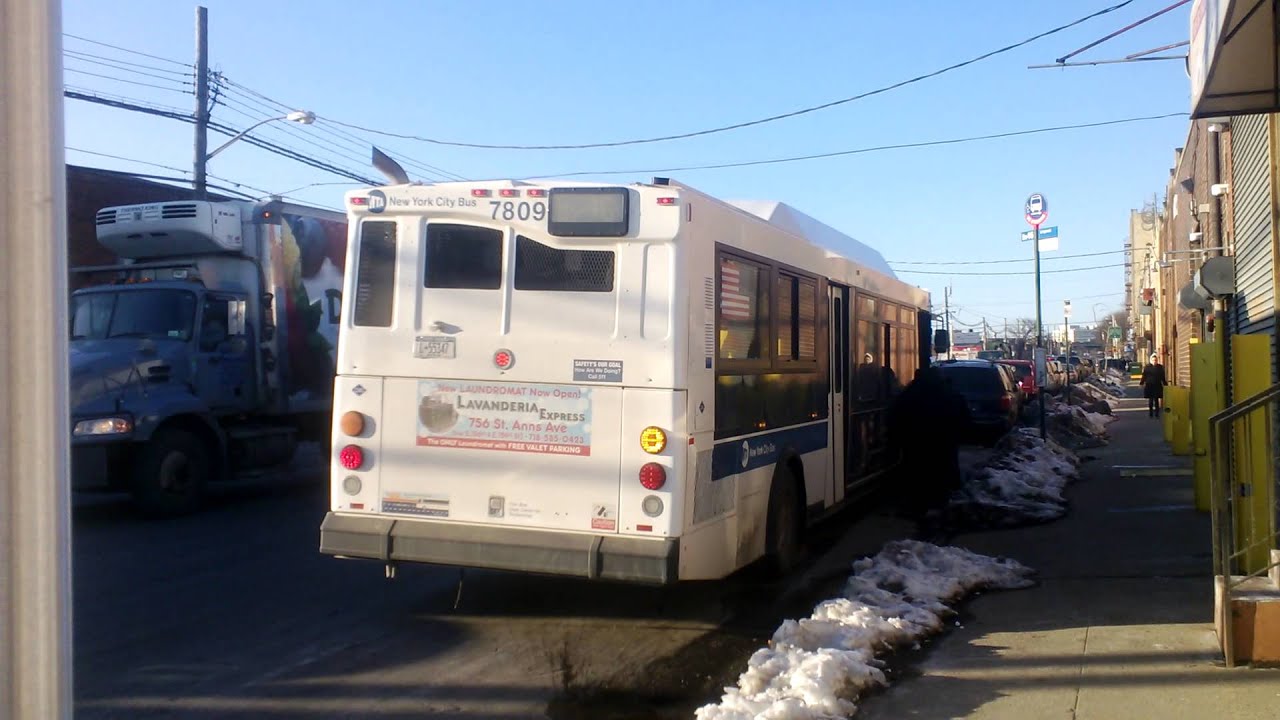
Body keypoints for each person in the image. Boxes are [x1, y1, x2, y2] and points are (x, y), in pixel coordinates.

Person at [887, 366, 969, 539]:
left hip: (916, 445)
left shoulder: (910, 394)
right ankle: (938, 512)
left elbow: (896, 419)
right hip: (943, 446)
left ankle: (920, 512)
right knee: (941, 478)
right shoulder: (950, 394)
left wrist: (898, 441)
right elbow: (963, 419)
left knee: (918, 478)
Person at [1141, 353, 1167, 418]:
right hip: (1149, 385)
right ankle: (1151, 413)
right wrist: (1141, 383)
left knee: (1156, 400)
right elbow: (1144, 376)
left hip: (1157, 385)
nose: (1154, 361)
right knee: (1150, 400)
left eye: (1155, 360)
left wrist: (1165, 384)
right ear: (1151, 360)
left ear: (1157, 360)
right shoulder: (1147, 367)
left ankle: (1157, 413)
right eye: (1153, 360)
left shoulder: (1160, 367)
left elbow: (1162, 377)